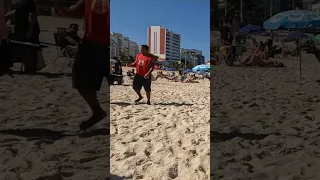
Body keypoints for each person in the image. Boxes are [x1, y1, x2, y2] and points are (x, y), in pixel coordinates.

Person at [52, 0, 110, 130]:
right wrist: (63, 11)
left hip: (109, 47)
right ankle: (97, 112)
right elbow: (75, 10)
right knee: (80, 81)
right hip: (90, 44)